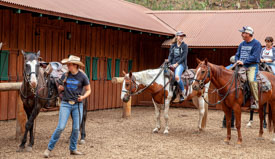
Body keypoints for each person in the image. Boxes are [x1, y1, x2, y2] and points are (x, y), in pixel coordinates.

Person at [44, 55, 91, 158]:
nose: (67, 66)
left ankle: (73, 149)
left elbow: (89, 90)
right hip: (65, 104)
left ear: (75, 65)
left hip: (78, 105)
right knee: (60, 127)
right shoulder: (65, 75)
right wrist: (61, 88)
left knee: (75, 129)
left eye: (69, 64)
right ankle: (49, 149)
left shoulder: (83, 76)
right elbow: (60, 88)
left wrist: (83, 97)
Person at [235, 26, 262, 109]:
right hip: (241, 65)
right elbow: (237, 54)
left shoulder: (256, 44)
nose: (242, 35)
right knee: (225, 72)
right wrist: (237, 60)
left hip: (252, 66)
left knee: (251, 80)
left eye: (243, 33)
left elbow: (255, 56)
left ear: (249, 34)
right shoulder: (241, 44)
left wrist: (244, 61)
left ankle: (256, 101)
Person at [166, 31, 188, 102]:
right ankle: (169, 92)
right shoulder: (173, 46)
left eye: (182, 36)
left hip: (181, 64)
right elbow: (171, 55)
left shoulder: (185, 46)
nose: (181, 37)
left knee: (177, 77)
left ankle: (182, 91)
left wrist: (177, 64)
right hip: (172, 63)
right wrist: (168, 61)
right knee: (164, 73)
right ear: (177, 37)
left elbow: (184, 57)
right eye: (180, 36)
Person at [222, 56, 235, 128]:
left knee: (226, 108)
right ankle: (231, 125)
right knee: (232, 108)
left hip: (224, 91)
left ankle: (224, 123)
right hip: (231, 90)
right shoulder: (236, 69)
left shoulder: (226, 68)